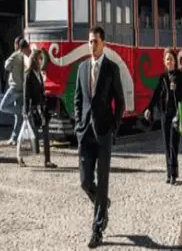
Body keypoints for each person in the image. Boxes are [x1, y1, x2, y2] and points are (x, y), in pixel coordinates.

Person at [74, 26, 125, 249]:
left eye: (95, 41)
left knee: (102, 181)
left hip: (103, 133)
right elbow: (77, 99)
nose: (91, 45)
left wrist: (113, 128)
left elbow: (120, 102)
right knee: (85, 181)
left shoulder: (112, 69)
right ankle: (102, 204)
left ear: (103, 43)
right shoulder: (82, 68)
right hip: (85, 134)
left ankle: (97, 229)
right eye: (89, 41)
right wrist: (78, 125)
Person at [144, 48, 182, 184]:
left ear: (175, 61)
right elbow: (156, 94)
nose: (169, 62)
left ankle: (174, 173)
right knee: (166, 143)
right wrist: (149, 108)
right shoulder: (162, 78)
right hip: (165, 114)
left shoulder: (180, 77)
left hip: (177, 113)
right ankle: (169, 173)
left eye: (171, 59)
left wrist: (176, 90)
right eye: (167, 59)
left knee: (173, 143)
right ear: (164, 61)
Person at [19, 48, 56, 169]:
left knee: (46, 134)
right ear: (35, 59)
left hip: (41, 108)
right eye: (40, 58)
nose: (42, 60)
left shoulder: (39, 73)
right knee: (28, 134)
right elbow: (26, 94)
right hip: (32, 109)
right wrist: (25, 111)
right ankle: (20, 157)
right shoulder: (29, 74)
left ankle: (47, 160)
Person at [1, 38, 31, 144]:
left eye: (15, 43)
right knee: (17, 117)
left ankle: (22, 111)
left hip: (14, 87)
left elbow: (6, 66)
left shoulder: (15, 55)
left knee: (3, 106)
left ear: (18, 45)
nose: (14, 45)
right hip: (23, 88)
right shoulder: (26, 56)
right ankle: (14, 138)